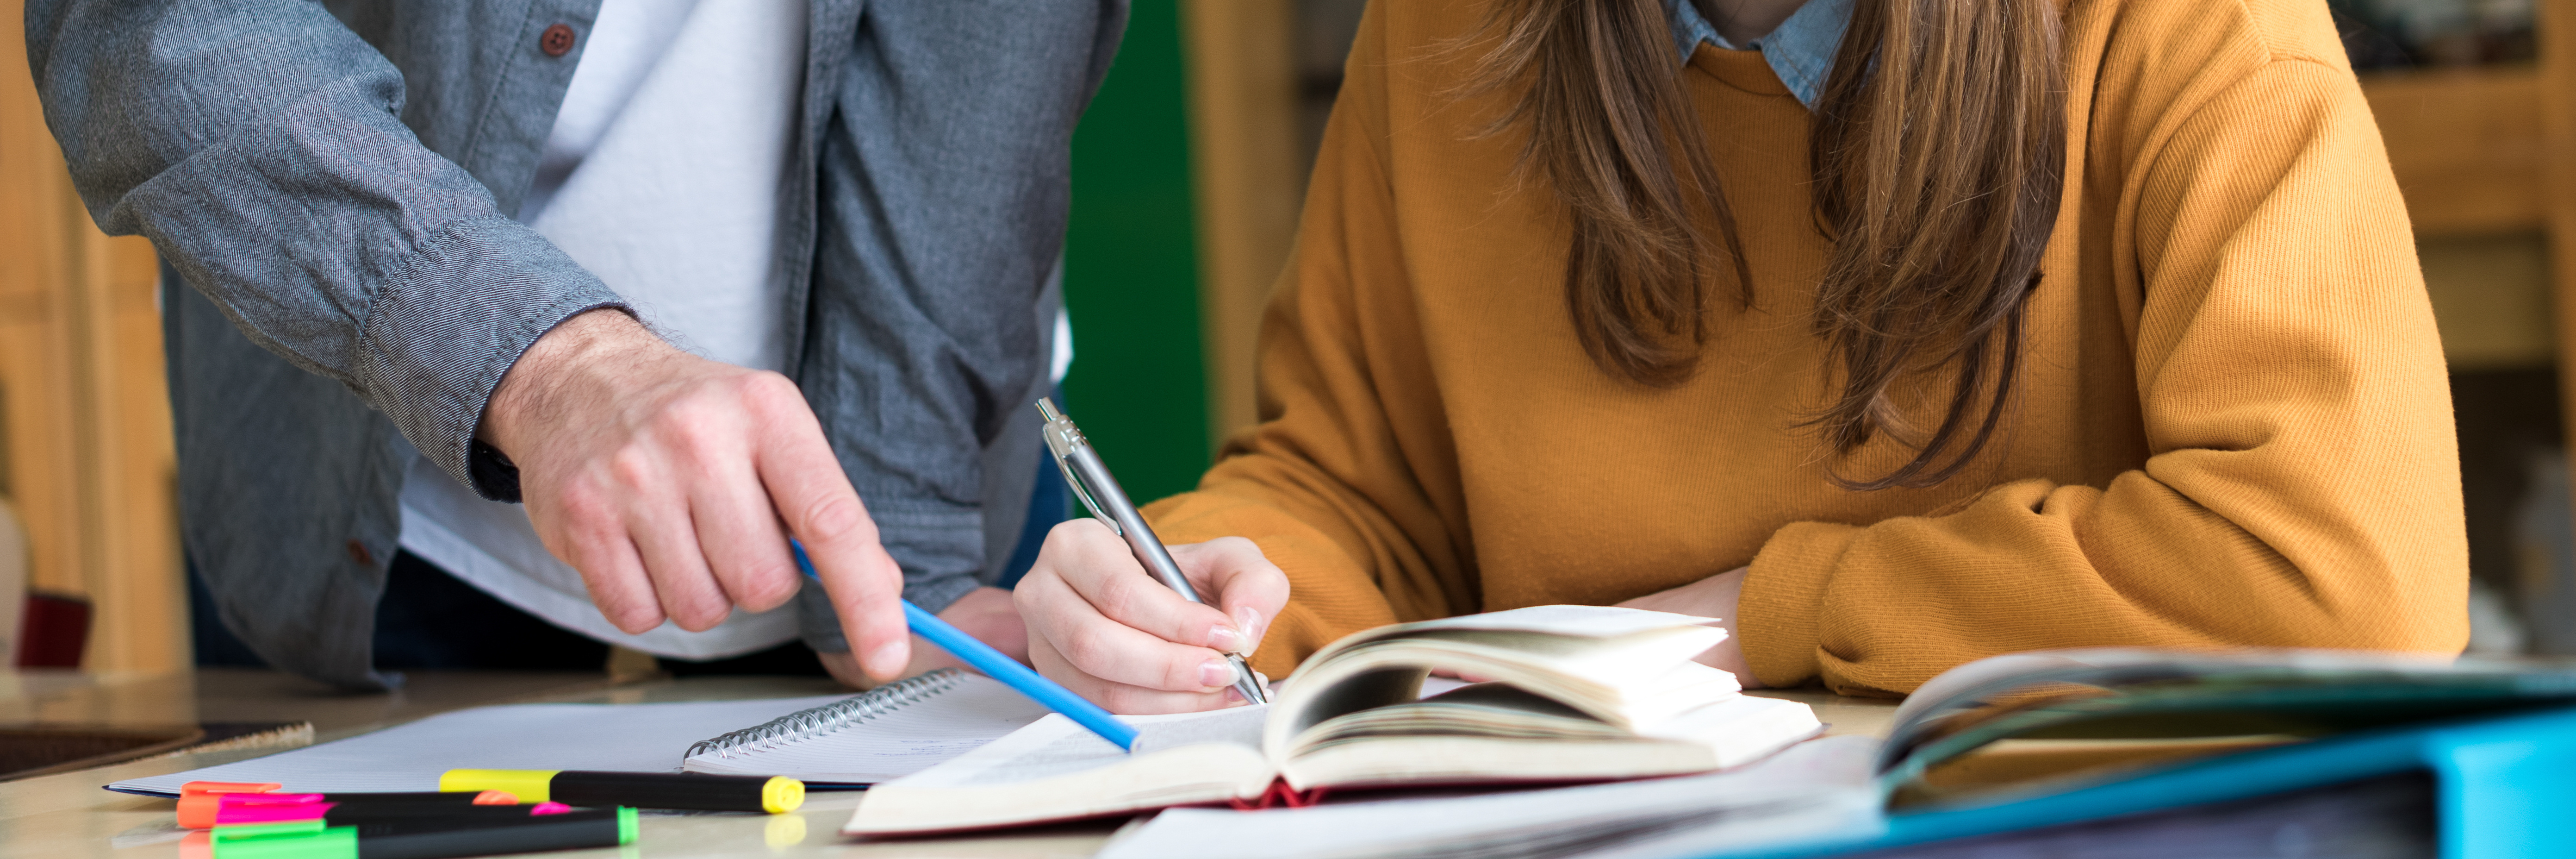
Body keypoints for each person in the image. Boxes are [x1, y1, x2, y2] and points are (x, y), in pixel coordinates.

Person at [1014, 0, 2471, 712]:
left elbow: (2340, 576)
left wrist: (1768, 611)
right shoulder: (1449, 32)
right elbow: (1346, 493)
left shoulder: (2191, 28)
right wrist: (1195, 579)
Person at [26, 0, 1123, 690]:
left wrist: (897, 535)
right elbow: (145, 24)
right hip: (367, 479)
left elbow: (983, 63)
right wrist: (542, 364)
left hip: (914, 455)